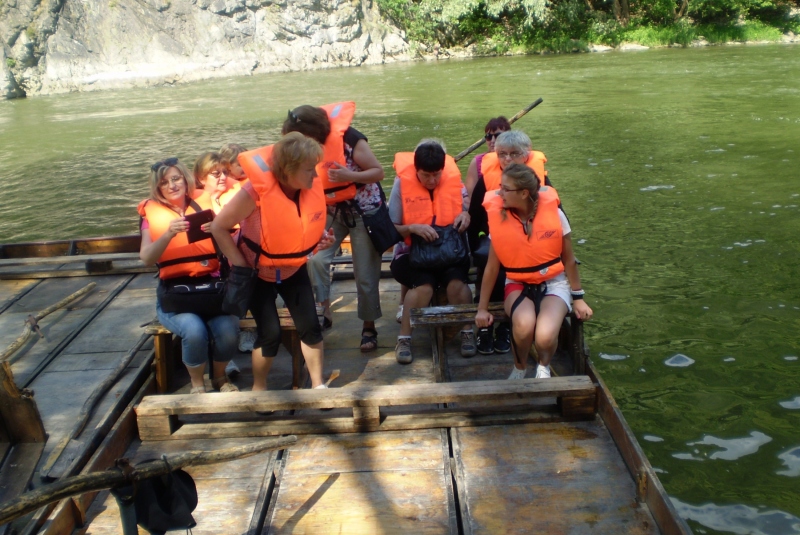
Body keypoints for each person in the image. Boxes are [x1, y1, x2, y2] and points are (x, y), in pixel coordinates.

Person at [210, 132, 335, 391]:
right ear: (288, 170)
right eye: (309, 169)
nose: (315, 175)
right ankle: (259, 388)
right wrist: (240, 264)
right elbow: (219, 227)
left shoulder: (305, 187)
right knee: (270, 333)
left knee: (311, 326)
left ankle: (318, 385)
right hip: (257, 272)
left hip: (293, 268)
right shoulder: (253, 192)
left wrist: (316, 240)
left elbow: (298, 225)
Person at [281, 102, 385, 352]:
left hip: (363, 209)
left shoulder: (351, 139)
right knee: (316, 258)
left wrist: (350, 176)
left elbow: (378, 172)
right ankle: (322, 309)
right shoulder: (304, 149)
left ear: (312, 133)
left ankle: (368, 326)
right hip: (330, 209)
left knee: (365, 274)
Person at [475, 163, 592, 380]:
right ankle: (519, 368)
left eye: (505, 189)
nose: (499, 193)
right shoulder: (499, 218)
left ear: (524, 193)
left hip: (553, 282)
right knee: (523, 325)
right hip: (517, 283)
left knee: (545, 337)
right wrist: (482, 309)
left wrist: (579, 298)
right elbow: (491, 268)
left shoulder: (555, 215)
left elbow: (569, 259)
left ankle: (543, 366)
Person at [138, 158, 240, 394]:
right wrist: (168, 235)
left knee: (228, 329)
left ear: (185, 180)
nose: (172, 185)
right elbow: (146, 258)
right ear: (157, 187)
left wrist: (216, 230)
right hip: (176, 295)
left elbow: (232, 244)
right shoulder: (150, 215)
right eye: (165, 182)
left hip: (211, 289)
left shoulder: (205, 204)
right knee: (195, 331)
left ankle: (219, 378)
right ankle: (197, 384)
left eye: (176, 179)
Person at [389, 140, 476, 364]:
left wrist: (465, 215)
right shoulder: (401, 185)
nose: (432, 180)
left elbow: (466, 209)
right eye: (425, 175)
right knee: (424, 287)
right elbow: (390, 229)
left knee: (457, 284)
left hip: (450, 252)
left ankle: (468, 330)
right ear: (416, 170)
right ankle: (404, 337)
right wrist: (411, 228)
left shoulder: (454, 183)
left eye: (436, 174)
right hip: (414, 254)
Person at [464, 117, 513, 356]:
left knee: (508, 273)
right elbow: (474, 212)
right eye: (489, 137)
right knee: (490, 264)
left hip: (522, 243)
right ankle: (485, 326)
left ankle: (505, 326)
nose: (493, 142)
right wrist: (475, 247)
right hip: (491, 234)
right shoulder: (482, 170)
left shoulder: (533, 175)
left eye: (499, 136)